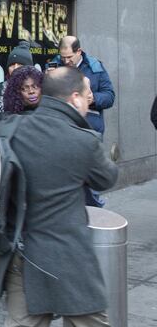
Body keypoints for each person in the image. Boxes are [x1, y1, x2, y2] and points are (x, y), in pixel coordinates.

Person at [0, 67, 118, 327]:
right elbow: (106, 178)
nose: (90, 100)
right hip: (69, 257)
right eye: (86, 94)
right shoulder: (82, 140)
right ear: (74, 98)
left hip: (22, 255)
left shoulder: (12, 129)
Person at [53, 36, 115, 207]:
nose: (66, 61)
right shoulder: (54, 66)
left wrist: (94, 98)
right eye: (62, 57)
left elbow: (110, 96)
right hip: (63, 129)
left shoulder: (95, 67)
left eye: (69, 57)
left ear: (79, 52)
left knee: (90, 179)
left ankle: (95, 214)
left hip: (90, 129)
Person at [0, 41, 33, 148]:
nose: (15, 68)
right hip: (3, 147)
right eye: (12, 65)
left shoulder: (36, 90)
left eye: (20, 64)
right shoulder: (1, 89)